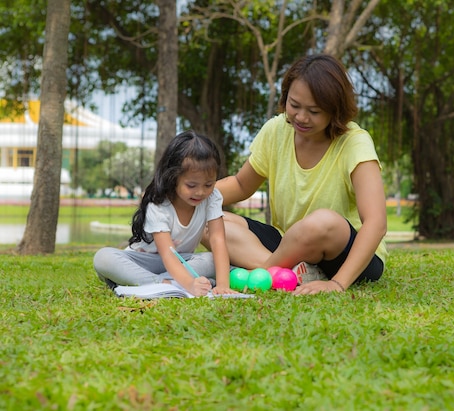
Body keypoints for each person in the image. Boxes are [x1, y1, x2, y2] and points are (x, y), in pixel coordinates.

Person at [205, 53, 388, 295]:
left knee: (321, 222)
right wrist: (181, 197)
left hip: (345, 253)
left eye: (314, 111)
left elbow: (376, 223)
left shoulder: (355, 143)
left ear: (335, 110)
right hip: (288, 245)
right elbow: (240, 185)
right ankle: (288, 275)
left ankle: (262, 275)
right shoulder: (276, 130)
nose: (301, 117)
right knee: (208, 220)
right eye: (294, 105)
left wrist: (337, 283)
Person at [93, 130, 237, 297]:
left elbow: (217, 239)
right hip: (143, 262)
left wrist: (222, 285)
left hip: (183, 261)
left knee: (211, 260)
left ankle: (145, 283)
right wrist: (190, 284)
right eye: (191, 185)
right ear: (173, 177)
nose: (200, 192)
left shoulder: (212, 197)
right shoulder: (159, 204)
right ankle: (163, 284)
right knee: (103, 258)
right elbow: (168, 253)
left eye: (208, 185)